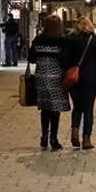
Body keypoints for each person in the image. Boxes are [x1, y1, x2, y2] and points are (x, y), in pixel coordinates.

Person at [28, 16, 70, 150]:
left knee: (45, 108)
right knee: (55, 109)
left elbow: (31, 58)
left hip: (41, 76)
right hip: (56, 77)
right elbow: (66, 59)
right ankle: (53, 138)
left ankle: (44, 136)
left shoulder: (39, 39)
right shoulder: (62, 41)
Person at [67, 17, 96, 150]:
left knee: (77, 107)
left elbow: (66, 60)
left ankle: (74, 131)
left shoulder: (71, 40)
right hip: (91, 78)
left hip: (75, 79)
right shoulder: (95, 40)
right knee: (88, 108)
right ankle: (86, 139)